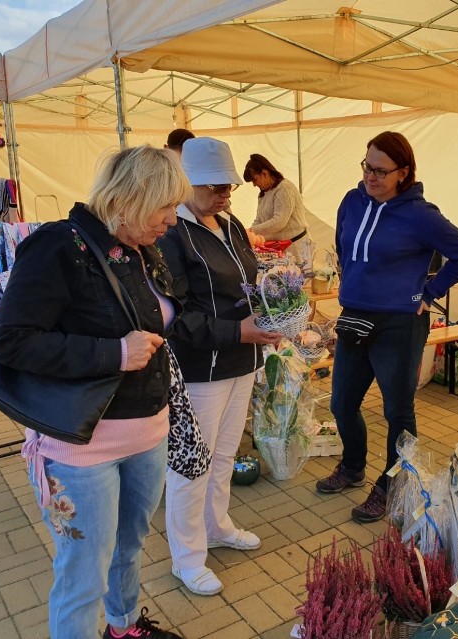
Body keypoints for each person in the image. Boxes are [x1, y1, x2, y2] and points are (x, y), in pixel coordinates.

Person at [0, 146, 190, 639]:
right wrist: (113, 354)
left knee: (129, 546)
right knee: (83, 572)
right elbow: (12, 341)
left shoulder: (145, 249)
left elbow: (166, 325)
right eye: (165, 206)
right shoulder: (60, 245)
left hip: (149, 430)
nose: (172, 218)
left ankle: (123, 629)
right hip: (82, 446)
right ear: (132, 196)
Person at [316, 131, 458, 524]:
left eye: (380, 171)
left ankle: (392, 487)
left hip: (399, 325)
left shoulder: (421, 215)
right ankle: (353, 467)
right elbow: (343, 246)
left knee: (397, 410)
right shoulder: (352, 202)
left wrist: (429, 292)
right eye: (366, 167)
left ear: (403, 173)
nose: (370, 176)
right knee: (341, 402)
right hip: (355, 316)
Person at [159, 137, 282, 596]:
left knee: (225, 454)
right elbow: (175, 314)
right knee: (192, 463)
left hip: (242, 360)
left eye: (229, 185)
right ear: (185, 183)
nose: (225, 193)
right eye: (214, 186)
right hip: (202, 368)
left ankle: (217, 526)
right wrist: (237, 332)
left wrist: (276, 306)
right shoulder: (172, 232)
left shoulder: (229, 226)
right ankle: (186, 557)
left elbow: (247, 285)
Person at [243, 153, 315, 269]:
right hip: (278, 250)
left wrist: (251, 231)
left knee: (299, 284)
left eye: (255, 180)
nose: (254, 185)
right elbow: (259, 220)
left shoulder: (285, 188)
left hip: (296, 248)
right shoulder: (263, 195)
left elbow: (279, 221)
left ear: (264, 173)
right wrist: (250, 235)